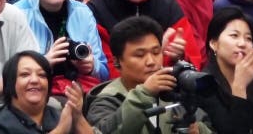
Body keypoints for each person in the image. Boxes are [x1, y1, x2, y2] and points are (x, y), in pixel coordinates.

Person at [86, 15, 216, 134]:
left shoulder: (171, 90)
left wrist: (198, 130)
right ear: (117, 61)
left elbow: (207, 125)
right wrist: (144, 93)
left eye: (156, 52)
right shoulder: (106, 100)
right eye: (140, 55)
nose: (151, 62)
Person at [14, 0, 108, 93]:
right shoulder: (17, 14)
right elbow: (8, 72)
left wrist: (91, 66)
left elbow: (104, 72)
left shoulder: (83, 13)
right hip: (34, 94)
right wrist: (44, 63)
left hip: (78, 91)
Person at [198, 6, 253, 134]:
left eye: (248, 38)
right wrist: (239, 87)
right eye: (234, 36)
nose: (242, 43)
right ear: (213, 43)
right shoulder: (203, 84)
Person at [0, 50, 95, 133]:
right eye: (25, 75)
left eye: (42, 75)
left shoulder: (60, 116)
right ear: (10, 83)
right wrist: (60, 130)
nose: (35, 80)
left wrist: (77, 116)